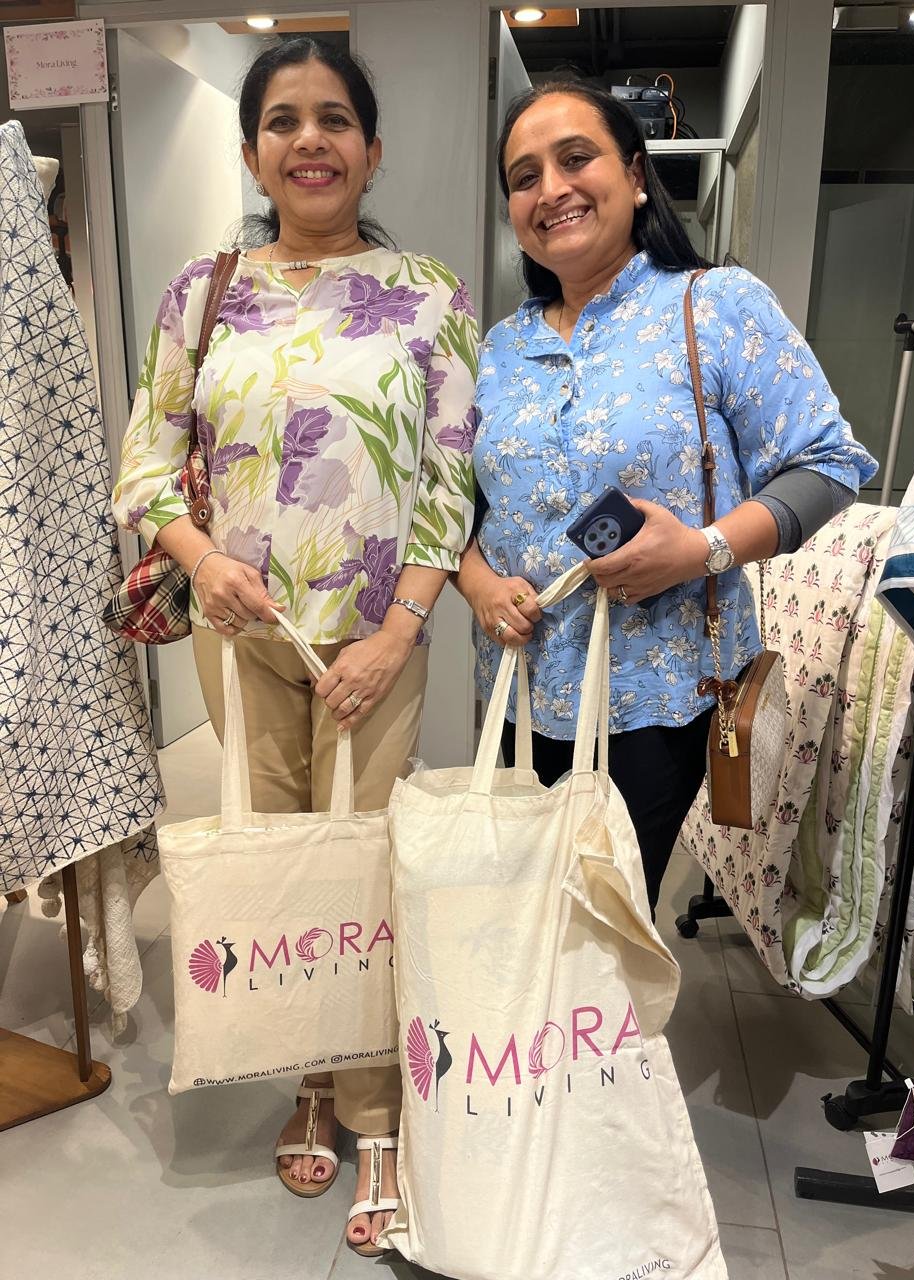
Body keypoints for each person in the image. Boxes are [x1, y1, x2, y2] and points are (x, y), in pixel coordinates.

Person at [112, 37, 477, 1257]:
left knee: (365, 870)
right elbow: (148, 463)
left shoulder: (430, 293)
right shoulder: (203, 289)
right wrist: (202, 557)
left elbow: (450, 478)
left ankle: (376, 1112)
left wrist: (403, 624)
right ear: (253, 150)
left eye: (333, 119)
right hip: (242, 637)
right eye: (283, 120)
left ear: (372, 149)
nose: (309, 139)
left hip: (377, 638)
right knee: (278, 871)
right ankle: (308, 1081)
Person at [454, 82, 876, 915]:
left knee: (608, 919)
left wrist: (700, 550)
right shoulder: (500, 347)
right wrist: (476, 583)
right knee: (525, 909)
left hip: (657, 693)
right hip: (522, 685)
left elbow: (829, 464)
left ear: (636, 176)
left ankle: (605, 1009)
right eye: (525, 176)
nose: (552, 189)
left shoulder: (715, 305)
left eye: (577, 159)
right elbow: (460, 506)